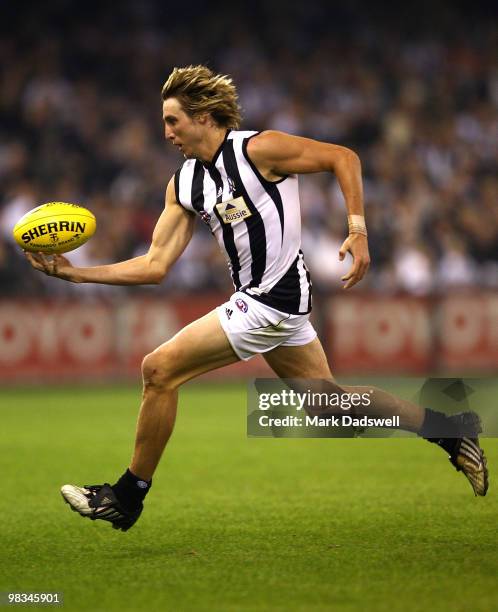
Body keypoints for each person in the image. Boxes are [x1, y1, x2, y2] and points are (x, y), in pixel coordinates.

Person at [25, 65, 488, 531]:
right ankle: (447, 429)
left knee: (158, 369)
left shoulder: (257, 150)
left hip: (275, 297)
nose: (166, 132)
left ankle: (127, 496)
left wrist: (358, 230)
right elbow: (155, 265)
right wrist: (77, 274)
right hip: (264, 301)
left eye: (173, 121)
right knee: (327, 406)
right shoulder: (185, 184)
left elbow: (344, 157)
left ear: (204, 116)